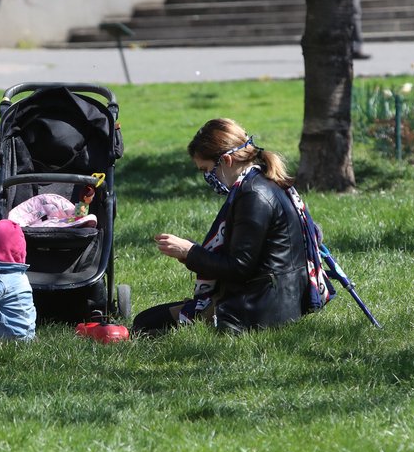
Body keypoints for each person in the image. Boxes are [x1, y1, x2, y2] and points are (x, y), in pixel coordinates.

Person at [132, 118, 309, 335]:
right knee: (148, 318)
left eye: (207, 170)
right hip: (278, 298)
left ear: (226, 160)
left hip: (259, 309)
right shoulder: (263, 181)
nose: (208, 177)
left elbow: (238, 268)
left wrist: (190, 252)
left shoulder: (252, 195)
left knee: (145, 324)